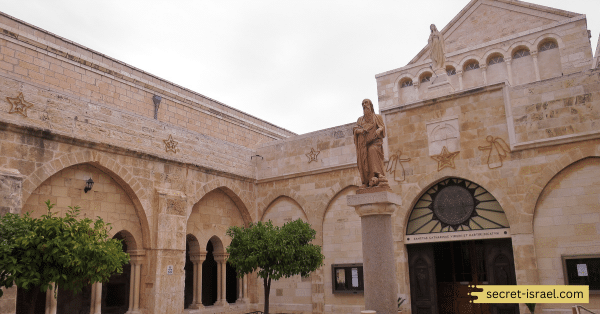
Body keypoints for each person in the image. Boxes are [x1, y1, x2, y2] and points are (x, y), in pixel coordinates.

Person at [353, 99, 388, 188]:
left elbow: (383, 128)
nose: (364, 105)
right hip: (364, 144)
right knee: (364, 155)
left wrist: (379, 130)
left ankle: (378, 174)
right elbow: (355, 130)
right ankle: (366, 181)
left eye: (366, 103)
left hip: (375, 143)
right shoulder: (360, 120)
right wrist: (361, 131)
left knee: (372, 150)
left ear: (371, 105)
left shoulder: (377, 117)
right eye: (363, 104)